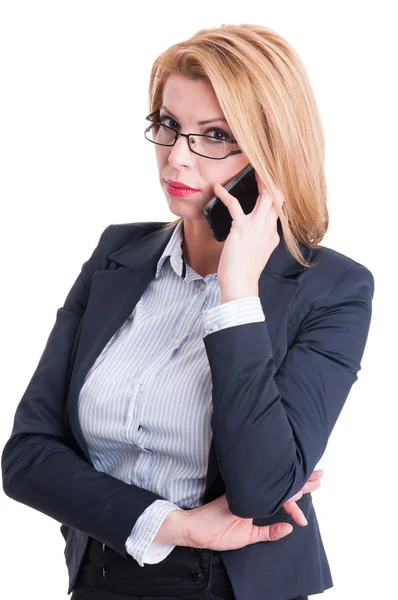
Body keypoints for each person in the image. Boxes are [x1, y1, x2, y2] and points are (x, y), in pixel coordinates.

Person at [1, 23, 374, 600]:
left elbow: (259, 491)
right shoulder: (115, 256)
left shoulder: (333, 289)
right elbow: (26, 457)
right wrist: (174, 524)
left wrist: (238, 295)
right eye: (169, 126)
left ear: (271, 154)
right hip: (102, 575)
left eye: (216, 135)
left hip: (232, 585)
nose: (177, 158)